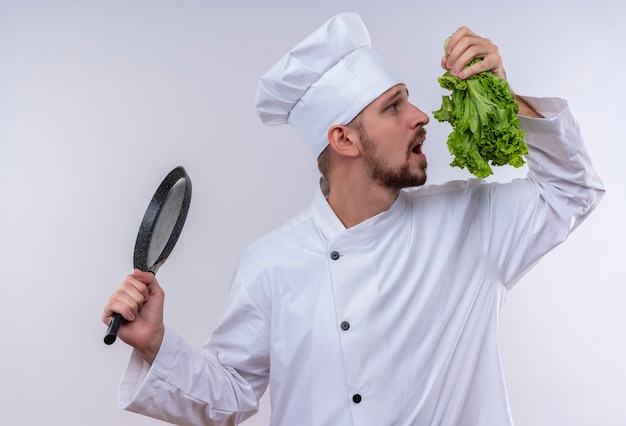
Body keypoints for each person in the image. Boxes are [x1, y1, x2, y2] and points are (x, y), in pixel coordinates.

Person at [102, 12, 604, 426]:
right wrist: (156, 343)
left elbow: (573, 189)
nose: (421, 116)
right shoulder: (270, 264)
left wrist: (502, 96)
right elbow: (230, 397)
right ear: (343, 140)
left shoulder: (471, 223)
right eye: (394, 106)